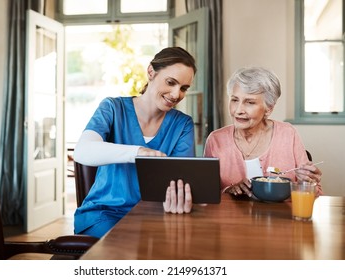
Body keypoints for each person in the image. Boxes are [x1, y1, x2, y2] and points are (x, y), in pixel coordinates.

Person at [73, 47, 197, 238]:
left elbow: (182, 180)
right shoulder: (113, 108)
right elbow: (83, 151)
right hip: (104, 215)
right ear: (151, 72)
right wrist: (138, 152)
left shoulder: (183, 124)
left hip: (157, 219)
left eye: (183, 88)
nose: (175, 94)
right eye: (171, 82)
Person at [204, 66, 323, 197]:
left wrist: (308, 182)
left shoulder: (287, 134)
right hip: (230, 217)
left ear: (268, 109)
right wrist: (228, 191)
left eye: (249, 102)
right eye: (234, 100)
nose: (238, 110)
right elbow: (206, 193)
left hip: (280, 216)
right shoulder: (215, 140)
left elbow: (315, 193)